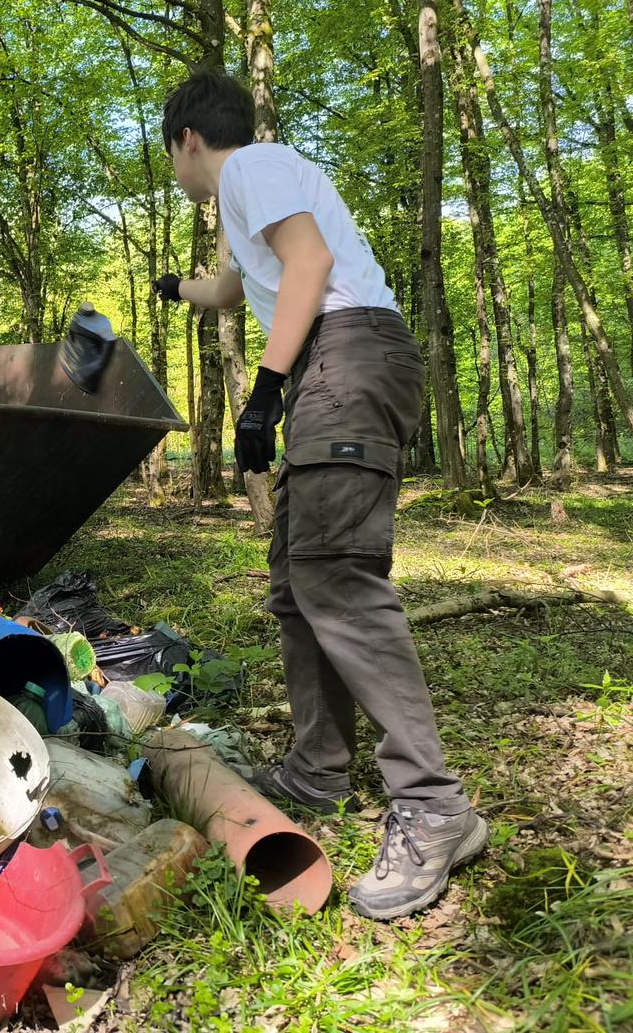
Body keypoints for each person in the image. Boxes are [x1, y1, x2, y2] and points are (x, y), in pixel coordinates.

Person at [154, 71, 485, 920]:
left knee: (337, 576)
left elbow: (310, 264)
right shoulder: (246, 198)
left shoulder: (251, 165)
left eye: (175, 164)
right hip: (326, 366)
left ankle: (435, 806)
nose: (181, 182)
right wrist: (176, 292)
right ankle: (317, 770)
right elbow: (235, 285)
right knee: (298, 581)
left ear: (189, 140)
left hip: (344, 354)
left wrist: (264, 390)